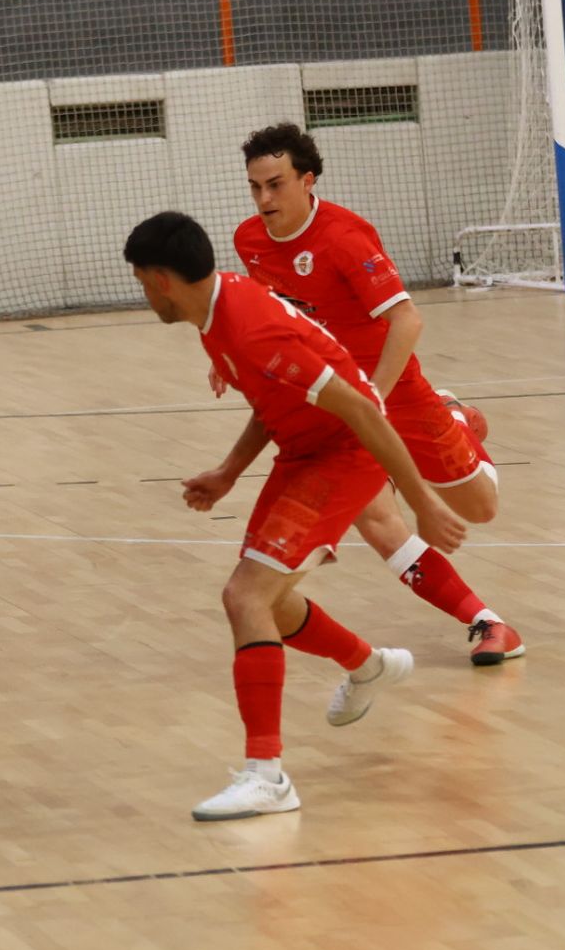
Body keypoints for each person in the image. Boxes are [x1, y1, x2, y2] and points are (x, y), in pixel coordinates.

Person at [125, 210, 466, 821]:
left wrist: (422, 499)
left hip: (344, 454)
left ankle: (268, 776)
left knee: (245, 598)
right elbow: (270, 400)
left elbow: (363, 409)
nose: (143, 294)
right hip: (304, 452)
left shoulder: (253, 328)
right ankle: (369, 666)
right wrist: (229, 471)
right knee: (274, 603)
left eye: (141, 282)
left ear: (160, 279)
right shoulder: (218, 312)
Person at [186, 123, 522, 667]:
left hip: (393, 394)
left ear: (307, 180)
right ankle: (487, 622)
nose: (264, 199)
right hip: (328, 402)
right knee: (378, 522)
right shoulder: (249, 239)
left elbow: (406, 320)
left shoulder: (344, 236)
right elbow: (265, 314)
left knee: (480, 509)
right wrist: (225, 361)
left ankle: (457, 420)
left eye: (275, 185)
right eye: (254, 187)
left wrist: (374, 401)